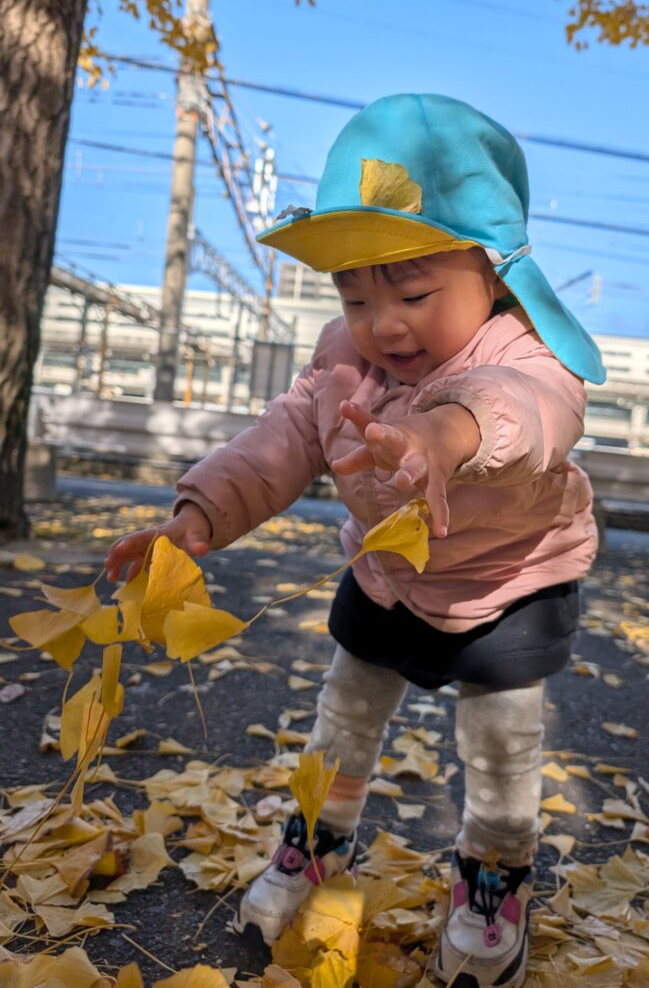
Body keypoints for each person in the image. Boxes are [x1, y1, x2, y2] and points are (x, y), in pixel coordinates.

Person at [105, 93, 606, 988]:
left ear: (489, 274)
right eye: (355, 295)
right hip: (386, 576)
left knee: (500, 752)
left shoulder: (527, 354)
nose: (385, 324)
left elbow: (523, 415)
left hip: (508, 584)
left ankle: (492, 882)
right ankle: (313, 844)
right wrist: (195, 519)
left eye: (413, 293)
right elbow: (279, 443)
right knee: (342, 722)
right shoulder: (343, 361)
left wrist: (439, 440)